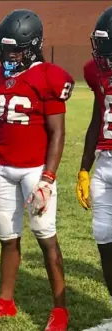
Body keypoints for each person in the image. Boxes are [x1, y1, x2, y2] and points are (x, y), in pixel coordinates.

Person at [0, 9, 74, 331]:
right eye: (5, 48)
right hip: (2, 168)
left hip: (35, 170)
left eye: (17, 49)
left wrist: (48, 177)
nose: (10, 54)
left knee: (46, 237)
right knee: (7, 238)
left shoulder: (49, 76)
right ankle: (5, 300)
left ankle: (60, 309)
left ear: (33, 46)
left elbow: (58, 132)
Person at [77, 5, 112, 324]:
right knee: (103, 235)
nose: (101, 54)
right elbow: (97, 116)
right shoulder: (95, 70)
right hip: (104, 161)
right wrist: (85, 167)